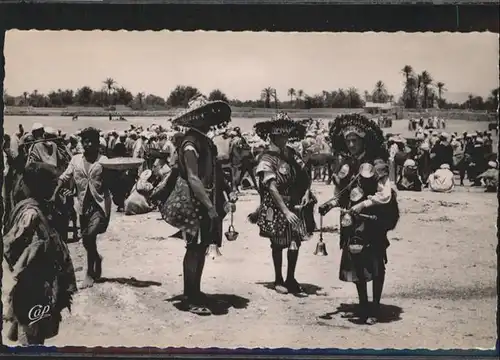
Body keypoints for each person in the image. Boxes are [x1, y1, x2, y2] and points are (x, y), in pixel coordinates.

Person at [319, 113, 399, 325]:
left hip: (372, 221)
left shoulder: (377, 163)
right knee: (356, 262)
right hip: (350, 222)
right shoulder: (345, 165)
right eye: (348, 140)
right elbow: (342, 195)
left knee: (376, 263)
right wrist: (330, 205)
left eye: (355, 140)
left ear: (363, 140)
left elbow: (386, 195)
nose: (352, 144)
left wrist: (362, 204)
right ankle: (363, 304)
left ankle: (375, 307)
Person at [160, 95, 236, 315]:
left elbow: (215, 171)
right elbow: (193, 178)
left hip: (205, 198)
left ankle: (195, 290)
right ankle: (190, 295)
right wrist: (209, 205)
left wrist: (228, 192)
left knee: (201, 247)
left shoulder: (204, 140)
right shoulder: (190, 142)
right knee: (194, 248)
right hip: (195, 201)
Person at [3, 162, 77, 345]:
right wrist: (29, 261)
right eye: (51, 183)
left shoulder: (42, 206)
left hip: (42, 282)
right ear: (39, 186)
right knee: (30, 331)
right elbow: (10, 245)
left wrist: (65, 207)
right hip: (32, 282)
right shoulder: (30, 213)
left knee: (38, 327)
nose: (55, 186)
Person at [251, 112, 312, 294]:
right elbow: (271, 186)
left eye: (286, 135)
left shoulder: (292, 154)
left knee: (295, 241)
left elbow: (304, 174)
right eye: (280, 136)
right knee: (277, 242)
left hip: (295, 201)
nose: (284, 139)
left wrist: (307, 192)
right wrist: (285, 210)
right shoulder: (266, 158)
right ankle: (278, 278)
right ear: (273, 136)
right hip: (276, 205)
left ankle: (291, 277)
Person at [50, 127, 112, 289]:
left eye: (91, 140)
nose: (87, 144)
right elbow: (64, 177)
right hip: (82, 205)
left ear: (98, 143)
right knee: (86, 239)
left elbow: (113, 181)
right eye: (85, 141)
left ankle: (89, 273)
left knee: (90, 235)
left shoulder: (104, 160)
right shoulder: (76, 160)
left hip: (99, 205)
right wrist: (54, 194)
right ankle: (96, 258)